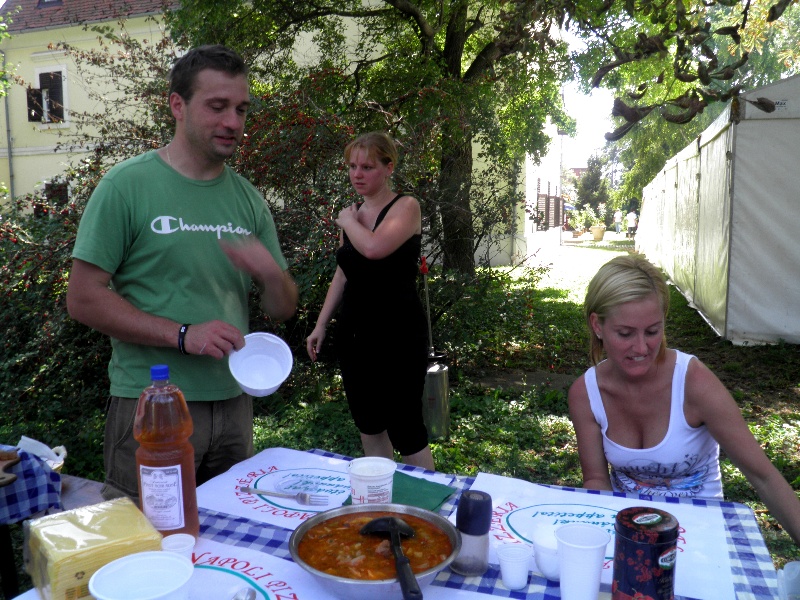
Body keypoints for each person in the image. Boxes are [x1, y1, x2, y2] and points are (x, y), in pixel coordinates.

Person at [66, 45, 298, 500]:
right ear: (178, 105)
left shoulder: (248, 199)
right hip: (153, 403)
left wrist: (273, 276)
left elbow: (283, 308)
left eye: (241, 109)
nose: (233, 122)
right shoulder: (127, 186)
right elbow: (83, 297)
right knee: (145, 536)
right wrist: (182, 334)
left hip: (234, 404)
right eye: (217, 106)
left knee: (230, 533)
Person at [568, 254, 800, 544]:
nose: (641, 347)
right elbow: (596, 481)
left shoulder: (694, 383)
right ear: (597, 325)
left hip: (702, 537)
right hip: (630, 538)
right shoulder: (585, 394)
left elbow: (763, 476)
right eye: (625, 333)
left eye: (653, 331)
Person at [306, 131, 434, 470]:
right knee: (369, 423)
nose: (357, 174)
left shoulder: (405, 206)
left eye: (367, 167)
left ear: (389, 168)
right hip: (355, 334)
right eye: (352, 167)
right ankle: (381, 495)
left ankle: (427, 500)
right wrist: (320, 324)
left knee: (406, 427)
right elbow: (343, 273)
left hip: (398, 334)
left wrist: (349, 221)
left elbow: (374, 248)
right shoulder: (353, 214)